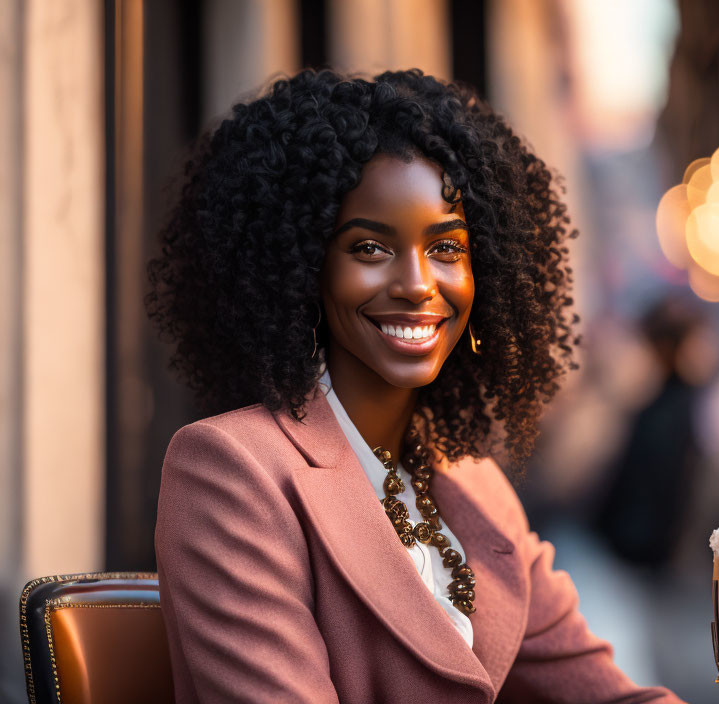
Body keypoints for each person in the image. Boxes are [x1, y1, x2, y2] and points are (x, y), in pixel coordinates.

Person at [146, 68, 684, 704]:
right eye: (370, 248)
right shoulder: (230, 473)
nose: (418, 284)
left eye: (447, 248)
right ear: (300, 269)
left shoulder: (474, 486)